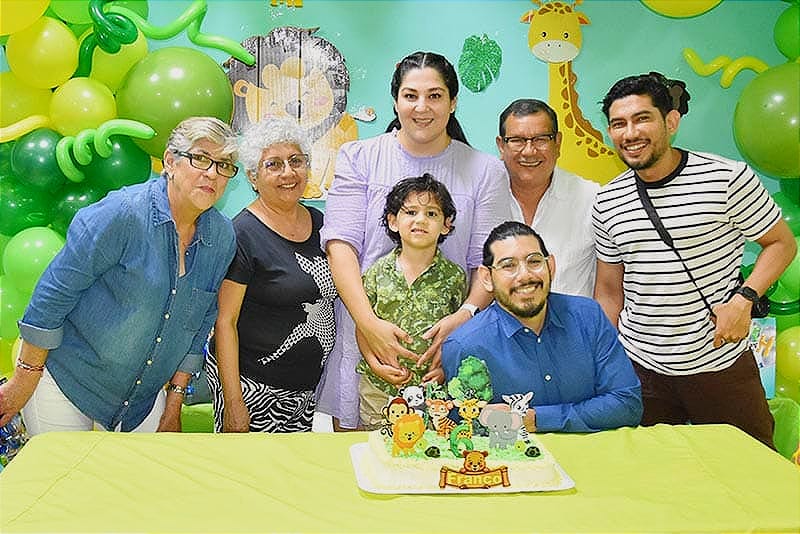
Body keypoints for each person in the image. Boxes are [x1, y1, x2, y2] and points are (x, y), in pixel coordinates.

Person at [592, 73, 797, 448]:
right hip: (643, 372)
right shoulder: (607, 201)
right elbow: (608, 292)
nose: (630, 133)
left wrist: (744, 301)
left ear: (670, 121)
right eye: (618, 124)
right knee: (653, 475)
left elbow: (781, 244)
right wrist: (608, 361)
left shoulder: (727, 178)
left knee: (750, 469)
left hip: (720, 363)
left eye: (642, 118)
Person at [0, 116, 239, 434]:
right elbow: (54, 294)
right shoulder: (121, 213)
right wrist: (24, 378)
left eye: (224, 165)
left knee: (147, 469)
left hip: (142, 400)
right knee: (65, 468)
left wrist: (174, 403)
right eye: (201, 158)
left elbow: (200, 323)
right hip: (67, 382)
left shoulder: (222, 237)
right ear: (170, 161)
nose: (212, 173)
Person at [316, 51, 512, 430]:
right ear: (396, 101)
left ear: (453, 103)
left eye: (435, 96)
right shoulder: (359, 157)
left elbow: (488, 264)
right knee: (359, 455)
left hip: (448, 350)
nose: (422, 107)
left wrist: (461, 323)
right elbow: (341, 247)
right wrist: (368, 325)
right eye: (410, 96)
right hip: (364, 342)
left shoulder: (485, 170)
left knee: (443, 448)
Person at [441, 222, 642, 433]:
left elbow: (627, 404)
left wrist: (535, 419)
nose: (525, 275)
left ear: (550, 267)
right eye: (508, 265)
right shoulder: (465, 346)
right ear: (487, 278)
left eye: (534, 261)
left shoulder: (589, 317)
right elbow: (463, 427)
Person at [205, 118, 337, 433]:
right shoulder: (242, 234)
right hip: (253, 389)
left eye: (296, 161)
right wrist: (233, 403)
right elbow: (225, 322)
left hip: (307, 393)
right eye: (273, 164)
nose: (288, 173)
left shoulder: (322, 223)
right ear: (253, 176)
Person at [357, 174, 466, 429]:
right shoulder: (375, 273)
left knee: (427, 449)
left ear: (446, 225)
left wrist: (445, 369)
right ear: (393, 221)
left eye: (431, 213)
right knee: (380, 448)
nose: (420, 220)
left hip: (433, 395)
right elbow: (363, 326)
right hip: (380, 388)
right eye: (411, 212)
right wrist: (374, 364)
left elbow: (460, 335)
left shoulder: (455, 277)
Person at [497, 99, 599, 297]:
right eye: (517, 140)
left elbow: (609, 287)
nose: (529, 151)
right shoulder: (483, 197)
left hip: (572, 318)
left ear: (557, 143)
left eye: (541, 139)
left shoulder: (591, 199)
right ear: (501, 146)